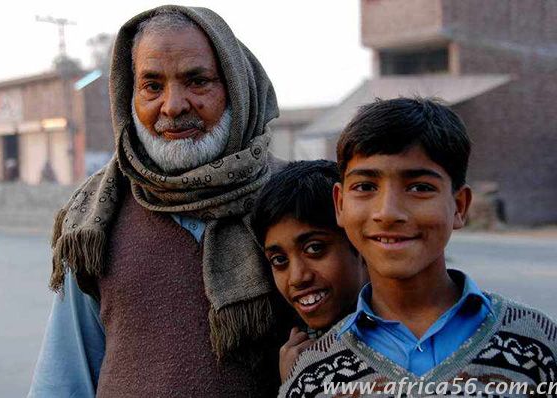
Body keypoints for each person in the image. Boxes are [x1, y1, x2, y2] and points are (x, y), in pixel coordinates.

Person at [29, 5, 285, 397]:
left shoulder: (294, 198)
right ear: (128, 96)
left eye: (197, 81)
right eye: (152, 86)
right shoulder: (94, 217)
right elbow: (64, 377)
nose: (172, 106)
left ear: (237, 87)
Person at [278, 98, 557, 397]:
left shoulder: (537, 344)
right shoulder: (312, 376)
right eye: (366, 187)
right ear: (341, 204)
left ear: (459, 207)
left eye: (419, 188)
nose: (387, 212)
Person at [251, 160, 368, 382]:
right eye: (279, 260)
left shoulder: (404, 339)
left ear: (358, 240)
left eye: (315, 248)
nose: (297, 277)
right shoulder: (292, 352)